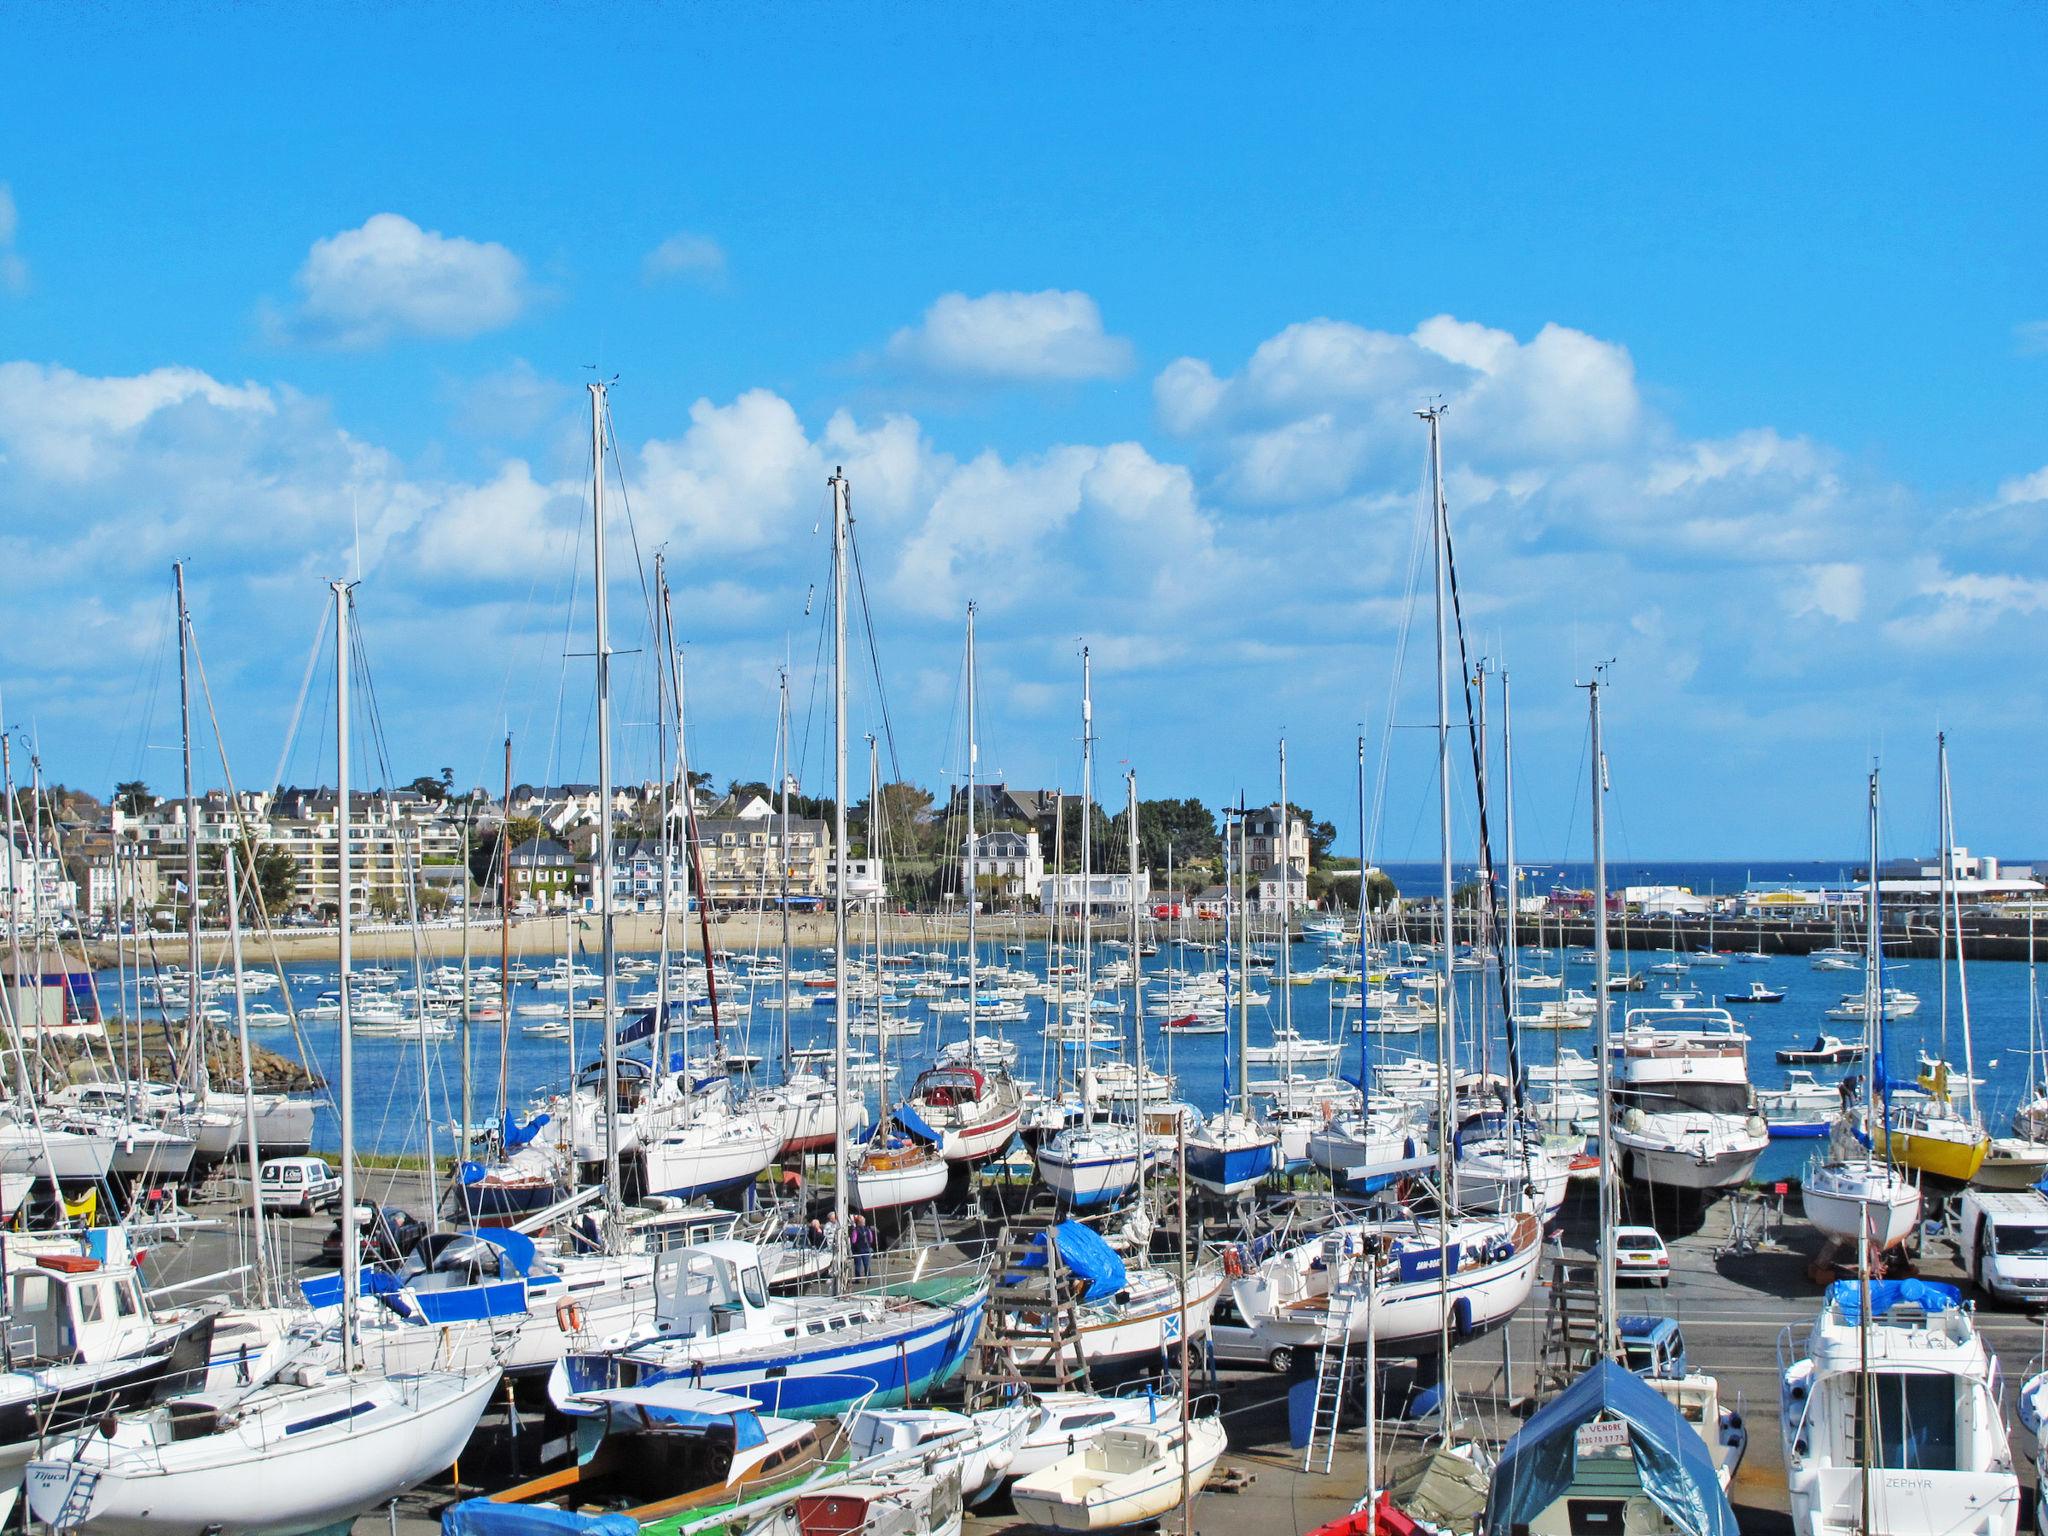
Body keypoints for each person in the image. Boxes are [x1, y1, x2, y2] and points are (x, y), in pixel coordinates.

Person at [850, 1213, 876, 1278]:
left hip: (857, 1249)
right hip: (866, 1248)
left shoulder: (855, 1230)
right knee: (866, 1263)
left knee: (857, 1264)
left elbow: (853, 1240)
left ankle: (858, 1278)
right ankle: (868, 1276)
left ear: (857, 1222)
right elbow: (871, 1239)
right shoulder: (868, 1230)